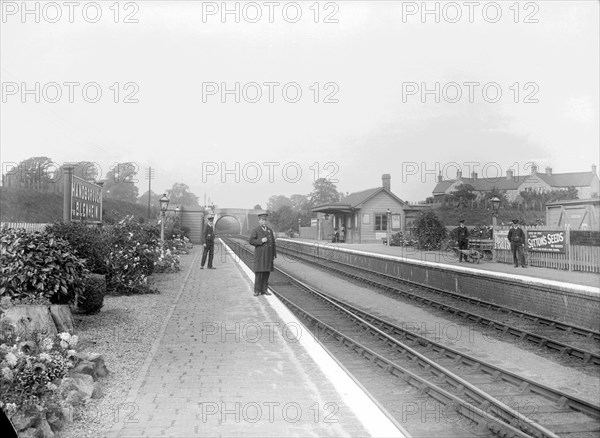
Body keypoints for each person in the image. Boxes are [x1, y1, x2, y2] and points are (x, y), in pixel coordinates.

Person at [249, 213, 277, 296]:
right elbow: (251, 241)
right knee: (259, 272)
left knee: (266, 272)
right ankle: (257, 290)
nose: (263, 221)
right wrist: (261, 241)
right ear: (259, 221)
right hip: (260, 255)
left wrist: (273, 254)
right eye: (262, 220)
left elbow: (273, 243)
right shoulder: (256, 230)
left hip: (268, 255)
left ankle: (264, 290)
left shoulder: (269, 230)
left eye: (265, 220)